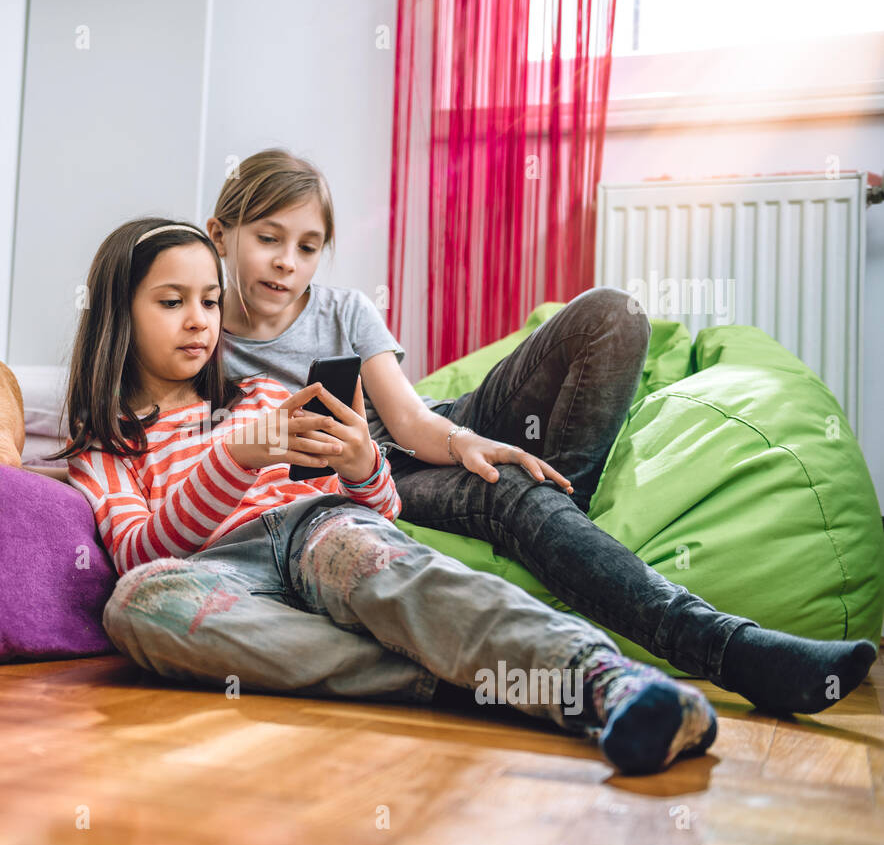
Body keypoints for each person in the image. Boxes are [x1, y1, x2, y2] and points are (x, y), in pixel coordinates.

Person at [208, 147, 876, 715]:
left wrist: (462, 439)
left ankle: (565, 522)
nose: (287, 263)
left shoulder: (344, 310)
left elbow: (410, 419)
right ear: (219, 234)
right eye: (268, 238)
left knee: (613, 314)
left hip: (430, 425)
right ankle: (728, 647)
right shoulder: (197, 335)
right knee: (511, 490)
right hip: (377, 478)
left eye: (308, 245)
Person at [50, 215, 723, 775]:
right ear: (119, 312)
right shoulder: (105, 446)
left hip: (310, 526)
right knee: (136, 604)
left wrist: (363, 462)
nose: (199, 320)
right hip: (218, 570)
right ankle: (470, 682)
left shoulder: (256, 396)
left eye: (208, 300)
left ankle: (607, 680)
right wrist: (232, 454)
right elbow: (143, 551)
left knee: (387, 568)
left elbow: (382, 513)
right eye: (172, 302)